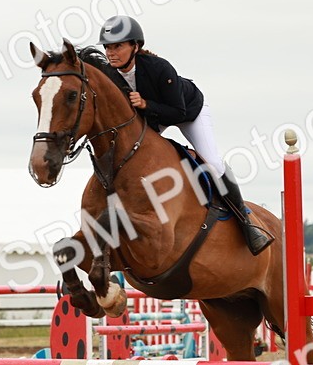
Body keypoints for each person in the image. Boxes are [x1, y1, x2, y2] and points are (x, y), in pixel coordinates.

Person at [97, 15, 273, 255]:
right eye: (107, 47)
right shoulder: (110, 74)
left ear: (135, 46)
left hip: (189, 112)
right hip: (154, 117)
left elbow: (177, 112)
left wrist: (146, 104)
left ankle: (245, 221)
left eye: (117, 46)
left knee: (212, 162)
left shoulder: (159, 68)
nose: (111, 52)